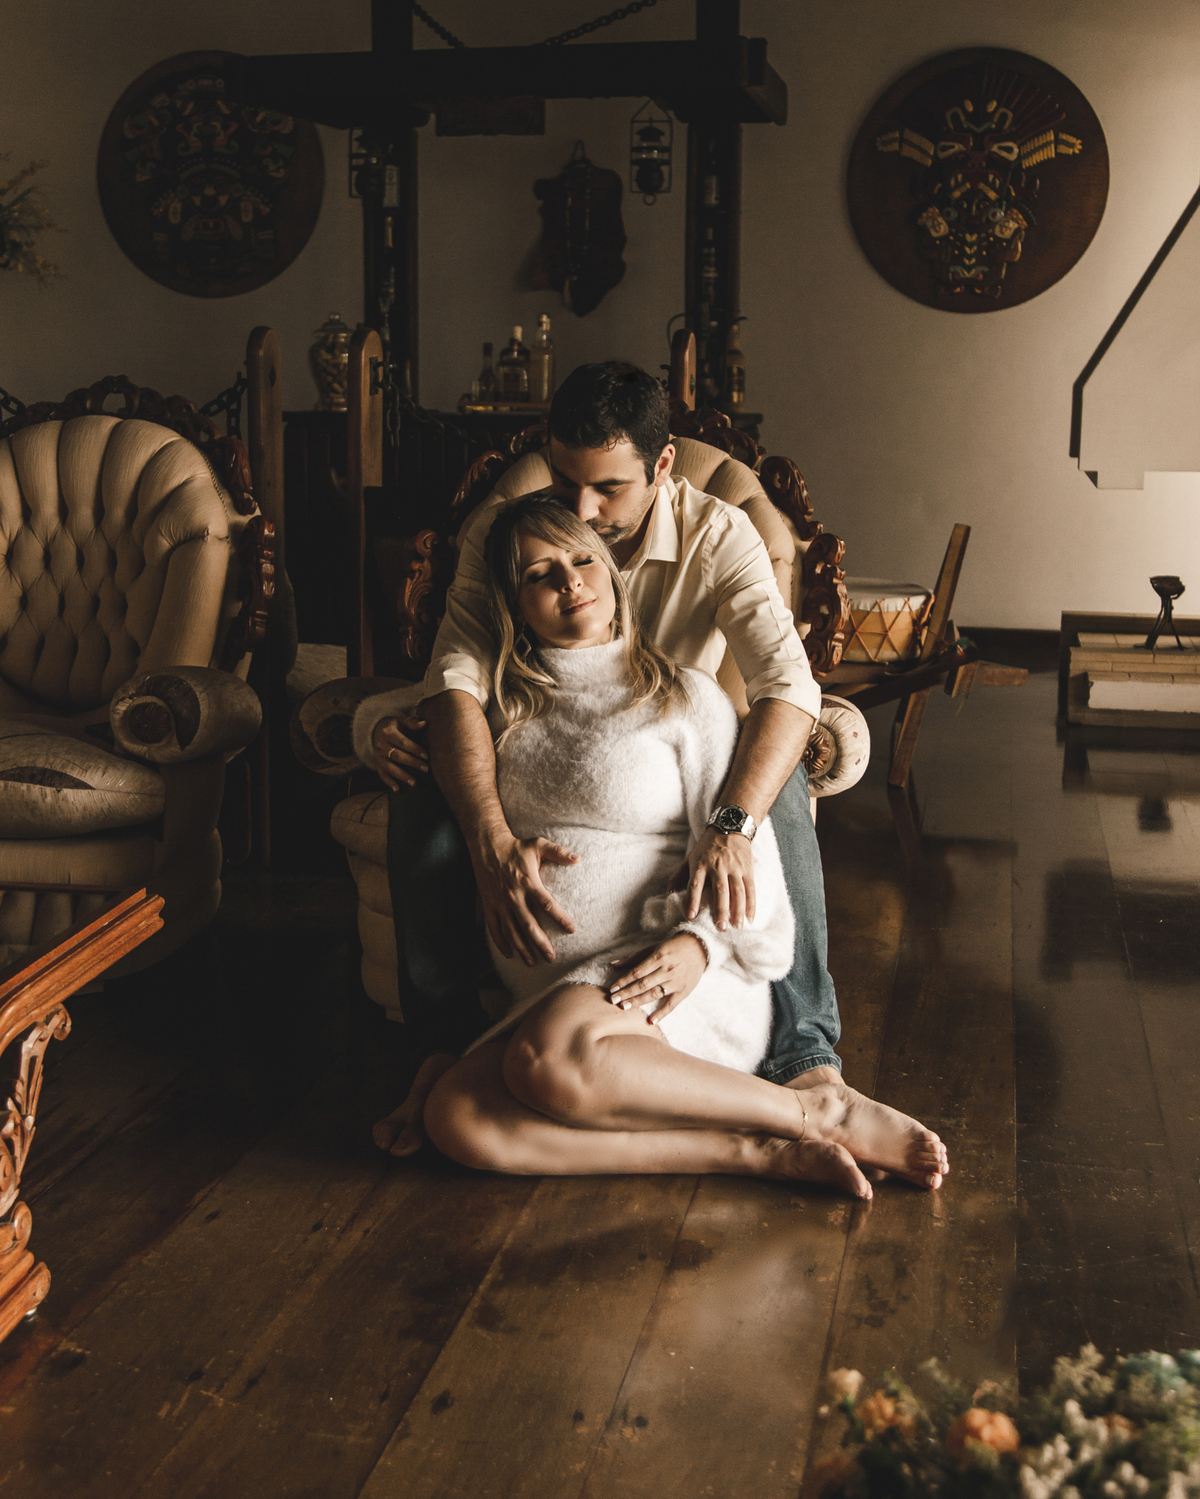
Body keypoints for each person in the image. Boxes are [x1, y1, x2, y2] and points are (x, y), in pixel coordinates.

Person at [354, 362, 948, 1189]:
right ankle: (444, 1048)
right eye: (565, 481)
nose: (580, 512)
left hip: (676, 762)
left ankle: (808, 1065)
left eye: (607, 490)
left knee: (773, 779)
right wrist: (483, 834)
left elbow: (788, 688)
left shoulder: (719, 539)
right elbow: (452, 679)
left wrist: (727, 840)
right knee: (431, 773)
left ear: (662, 466)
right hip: (561, 921)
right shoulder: (509, 537)